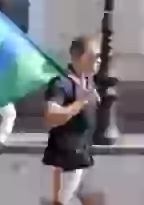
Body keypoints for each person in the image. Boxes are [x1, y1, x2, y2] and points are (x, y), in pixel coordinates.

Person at [41, 35, 104, 205]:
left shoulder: (84, 82)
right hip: (67, 160)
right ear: (82, 57)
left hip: (83, 156)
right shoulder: (61, 84)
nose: (100, 60)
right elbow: (51, 115)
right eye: (96, 56)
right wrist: (81, 102)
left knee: (95, 200)